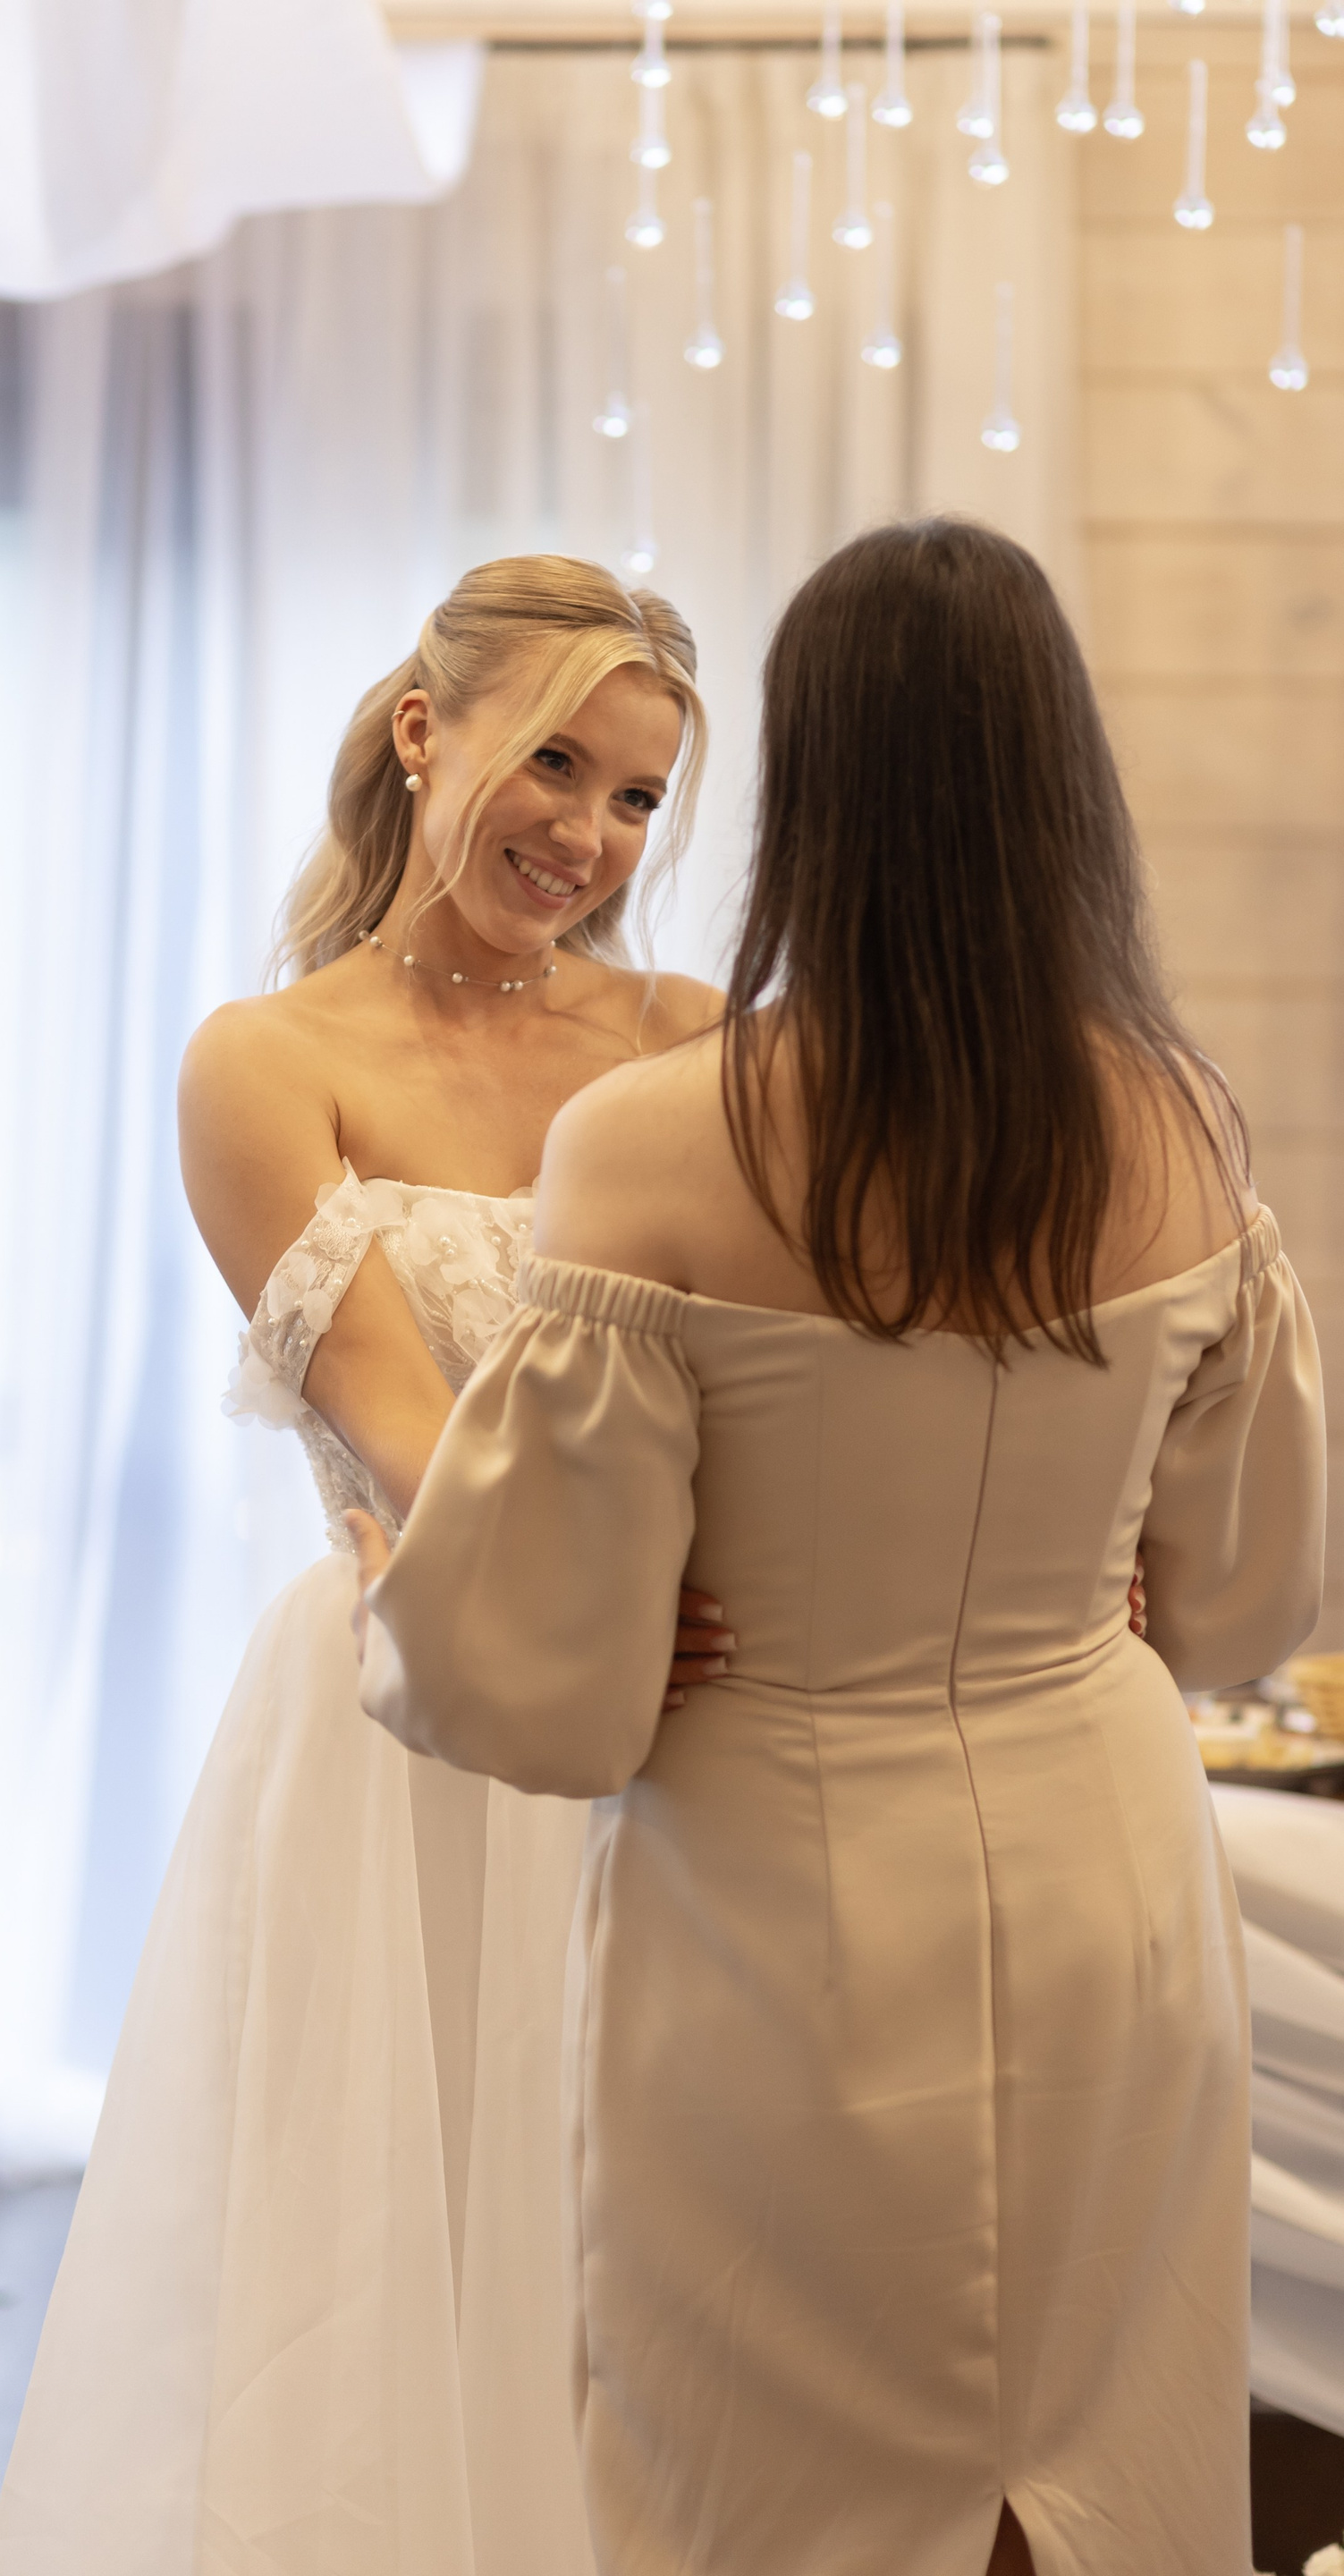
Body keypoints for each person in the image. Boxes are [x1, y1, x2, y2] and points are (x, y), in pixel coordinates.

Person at [353, 517, 1327, 2576]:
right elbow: (1242, 1597)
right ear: (1065, 779)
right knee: (1094, 2444)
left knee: (750, 2478)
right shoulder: (1185, 1132)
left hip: (767, 1896)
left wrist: (415, 1589)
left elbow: (549, 1678)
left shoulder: (648, 1142)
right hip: (1107, 1866)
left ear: (807, 780)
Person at [0, 555, 726, 2576]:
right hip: (412, 1712)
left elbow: (793, 1377)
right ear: (423, 730)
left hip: (681, 1703)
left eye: (638, 796)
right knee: (390, 2257)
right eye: (554, 762)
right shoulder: (262, 1060)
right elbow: (411, 1428)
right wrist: (623, 1586)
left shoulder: (691, 1041)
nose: (589, 834)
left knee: (643, 2256)